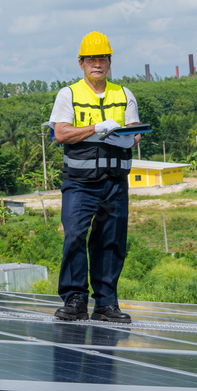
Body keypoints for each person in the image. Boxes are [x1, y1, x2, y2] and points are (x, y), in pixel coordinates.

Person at [49, 31, 140, 323]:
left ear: (110, 62)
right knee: (75, 236)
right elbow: (60, 133)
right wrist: (95, 129)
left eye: (102, 58)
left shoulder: (123, 94)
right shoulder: (69, 94)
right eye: (91, 59)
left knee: (111, 242)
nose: (97, 64)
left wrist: (128, 137)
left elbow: (135, 132)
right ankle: (75, 299)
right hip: (80, 183)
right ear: (81, 63)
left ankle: (106, 304)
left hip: (115, 182)